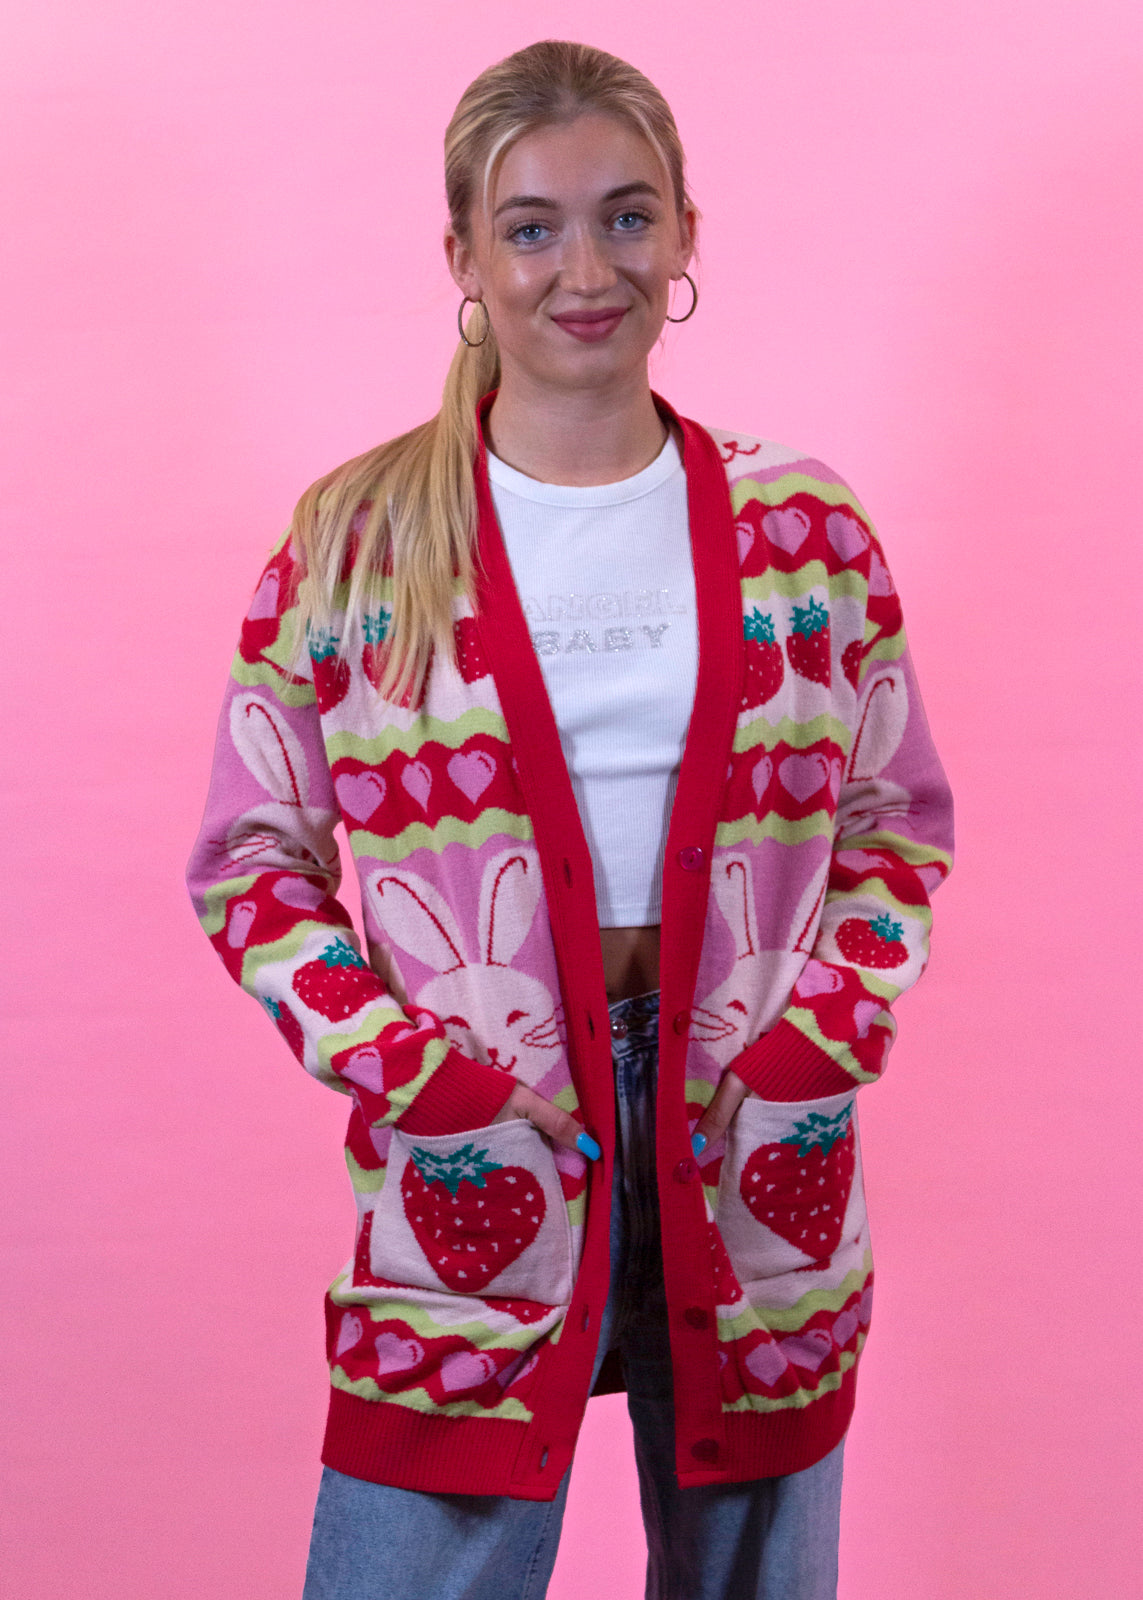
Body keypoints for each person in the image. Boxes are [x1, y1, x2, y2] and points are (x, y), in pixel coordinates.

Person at [186, 38, 953, 1600]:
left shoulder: (805, 532)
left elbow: (898, 825)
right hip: (482, 1142)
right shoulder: (356, 546)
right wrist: (414, 1074)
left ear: (684, 235)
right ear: (464, 257)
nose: (585, 271)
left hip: (753, 1135)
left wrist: (816, 1042)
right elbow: (251, 864)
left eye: (627, 216)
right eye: (531, 227)